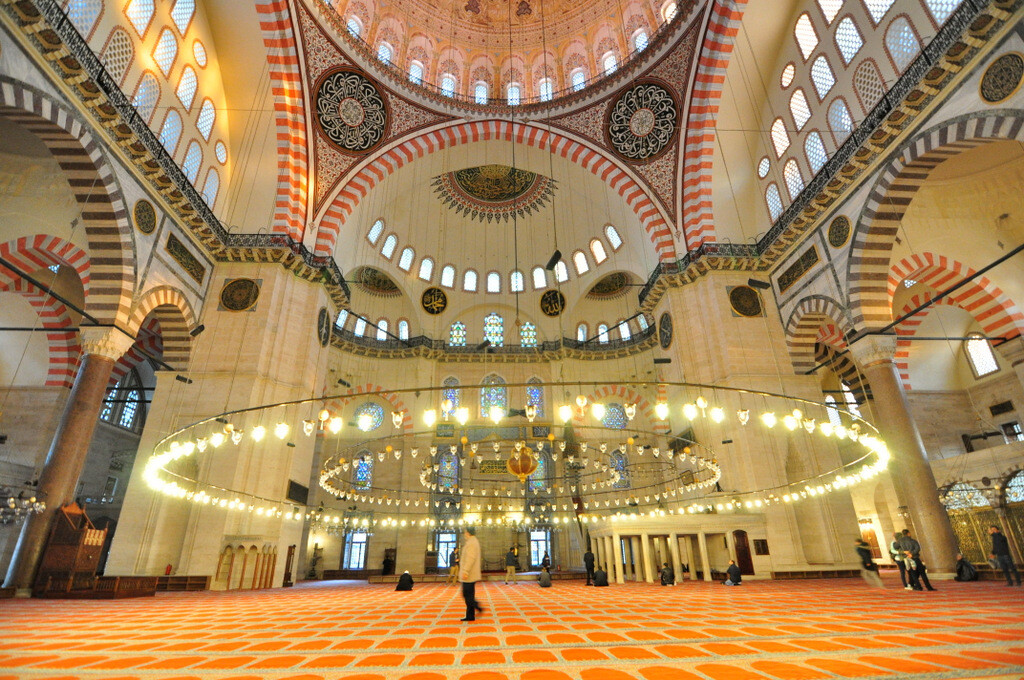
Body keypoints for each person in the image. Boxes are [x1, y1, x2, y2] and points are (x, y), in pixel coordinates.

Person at [459, 527, 484, 622]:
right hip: (470, 574)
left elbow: (470, 558)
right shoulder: (472, 542)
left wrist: (465, 571)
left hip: (469, 575)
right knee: (469, 595)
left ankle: (477, 606)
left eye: (465, 532)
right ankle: (470, 616)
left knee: (466, 595)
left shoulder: (472, 543)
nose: (464, 534)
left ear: (468, 532)